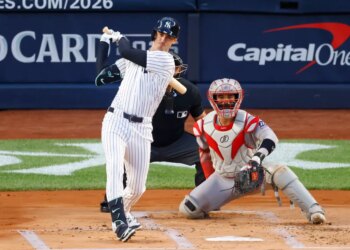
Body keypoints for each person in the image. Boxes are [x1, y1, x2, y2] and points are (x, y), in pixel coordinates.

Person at [179, 78, 327, 225]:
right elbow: (205, 155)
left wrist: (256, 159)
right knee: (189, 209)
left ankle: (314, 211)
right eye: (221, 96)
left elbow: (270, 137)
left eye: (231, 96)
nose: (226, 100)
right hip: (222, 180)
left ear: (239, 98)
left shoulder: (247, 119)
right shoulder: (203, 125)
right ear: (213, 99)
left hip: (253, 176)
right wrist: (210, 187)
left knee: (281, 172)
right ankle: (213, 201)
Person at [96, 17, 180, 242]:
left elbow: (126, 50)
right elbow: (101, 77)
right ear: (155, 34)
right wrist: (104, 42)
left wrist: (119, 38)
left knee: (137, 187)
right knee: (114, 168)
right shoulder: (134, 59)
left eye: (169, 36)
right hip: (116, 121)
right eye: (161, 34)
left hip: (142, 128)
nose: (163, 39)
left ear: (174, 40)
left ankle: (124, 211)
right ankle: (119, 223)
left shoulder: (166, 61)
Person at [97, 52, 206, 214]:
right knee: (121, 155)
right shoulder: (141, 88)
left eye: (173, 68)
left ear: (178, 71)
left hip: (177, 142)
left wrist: (215, 141)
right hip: (144, 141)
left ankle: (204, 198)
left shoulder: (190, 91)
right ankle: (114, 200)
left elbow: (202, 122)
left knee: (206, 151)